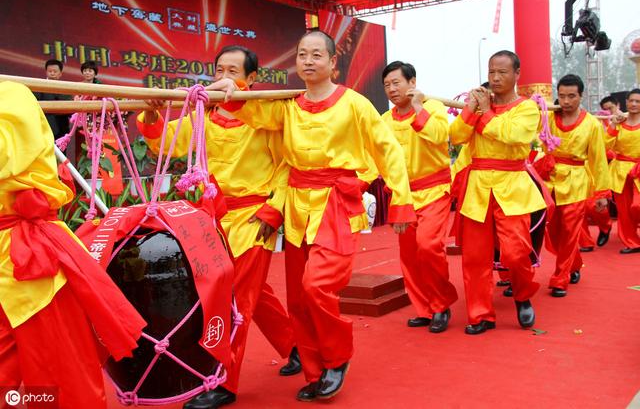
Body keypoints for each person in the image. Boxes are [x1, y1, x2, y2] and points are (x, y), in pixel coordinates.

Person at [209, 30, 415, 401]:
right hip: (298, 208)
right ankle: (315, 370)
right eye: (302, 54)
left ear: (333, 62)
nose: (307, 61)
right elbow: (248, 108)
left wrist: (401, 201)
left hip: (337, 203)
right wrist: (229, 87)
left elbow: (388, 150)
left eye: (316, 55)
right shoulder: (286, 105)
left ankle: (337, 359)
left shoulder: (354, 104)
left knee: (317, 286)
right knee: (299, 299)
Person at [136, 45, 299, 409]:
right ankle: (295, 345)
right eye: (220, 69)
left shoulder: (268, 114)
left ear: (252, 78)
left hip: (255, 218)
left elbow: (291, 163)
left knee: (235, 300)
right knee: (256, 294)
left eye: (234, 70)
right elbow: (170, 142)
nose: (224, 76)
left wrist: (274, 209)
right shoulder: (203, 111)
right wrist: (152, 116)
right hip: (213, 218)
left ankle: (223, 381)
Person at [0, 81, 144, 408]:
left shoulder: (11, 96)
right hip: (19, 259)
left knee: (60, 380)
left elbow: (11, 158)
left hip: (33, 265)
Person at [450, 50, 544, 335]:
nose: (495, 77)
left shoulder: (527, 108)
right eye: (492, 72)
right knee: (475, 257)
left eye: (502, 72)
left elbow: (514, 135)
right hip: (478, 187)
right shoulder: (478, 107)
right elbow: (455, 136)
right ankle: (480, 315)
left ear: (517, 75)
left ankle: (523, 293)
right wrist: (470, 110)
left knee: (515, 253)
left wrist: (483, 114)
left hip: (513, 186)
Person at [381, 61, 457, 333]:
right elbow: (378, 158)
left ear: (412, 82)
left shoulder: (433, 107)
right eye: (387, 85)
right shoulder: (384, 121)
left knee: (428, 245)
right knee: (410, 255)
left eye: (396, 83)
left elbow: (440, 137)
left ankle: (440, 304)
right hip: (403, 195)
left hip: (434, 190)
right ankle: (424, 308)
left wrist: (418, 108)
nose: (391, 89)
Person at [538, 74, 609, 297]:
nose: (566, 101)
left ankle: (560, 278)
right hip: (550, 180)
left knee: (570, 231)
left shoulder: (592, 124)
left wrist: (602, 192)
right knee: (554, 231)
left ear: (581, 96)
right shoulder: (548, 116)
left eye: (571, 96)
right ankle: (574, 263)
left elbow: (598, 160)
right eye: (562, 96)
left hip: (577, 182)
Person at [578, 96, 618, 252]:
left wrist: (613, 124)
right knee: (578, 209)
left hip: (598, 168)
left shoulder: (594, 123)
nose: (607, 112)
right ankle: (585, 242)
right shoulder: (557, 124)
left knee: (594, 206)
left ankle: (605, 225)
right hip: (578, 170)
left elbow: (605, 147)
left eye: (610, 108)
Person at [606, 89, 640, 254]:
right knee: (624, 210)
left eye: (638, 101)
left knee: (637, 206)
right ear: (626, 102)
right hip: (620, 170)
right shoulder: (619, 123)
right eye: (631, 101)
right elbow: (606, 145)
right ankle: (632, 242)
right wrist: (612, 125)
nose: (634, 104)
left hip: (638, 169)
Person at [33, 59, 71, 139]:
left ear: (60, 73)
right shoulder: (38, 86)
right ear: (46, 72)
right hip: (43, 129)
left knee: (61, 151)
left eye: (55, 71)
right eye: (50, 71)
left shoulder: (66, 88)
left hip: (61, 130)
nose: (52, 73)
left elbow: (70, 111)